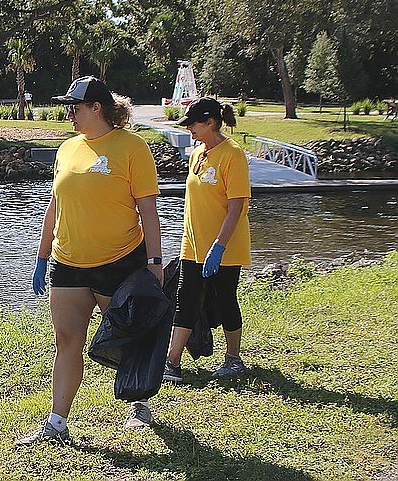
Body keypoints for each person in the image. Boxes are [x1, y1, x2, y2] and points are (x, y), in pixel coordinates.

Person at [16, 76, 164, 446]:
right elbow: (56, 204)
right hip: (68, 263)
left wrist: (155, 262)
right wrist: (41, 255)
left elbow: (148, 207)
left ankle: (139, 404)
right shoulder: (68, 148)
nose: (69, 113)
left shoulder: (132, 147)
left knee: (128, 336)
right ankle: (56, 423)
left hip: (119, 261)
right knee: (66, 341)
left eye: (74, 107)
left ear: (96, 108)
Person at [164, 97, 251, 383]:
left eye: (193, 123)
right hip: (193, 244)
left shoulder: (232, 154)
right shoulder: (197, 154)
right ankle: (172, 361)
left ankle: (233, 359)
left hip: (224, 246)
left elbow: (236, 207)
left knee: (225, 298)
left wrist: (219, 245)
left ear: (211, 122)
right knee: (185, 299)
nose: (189, 128)